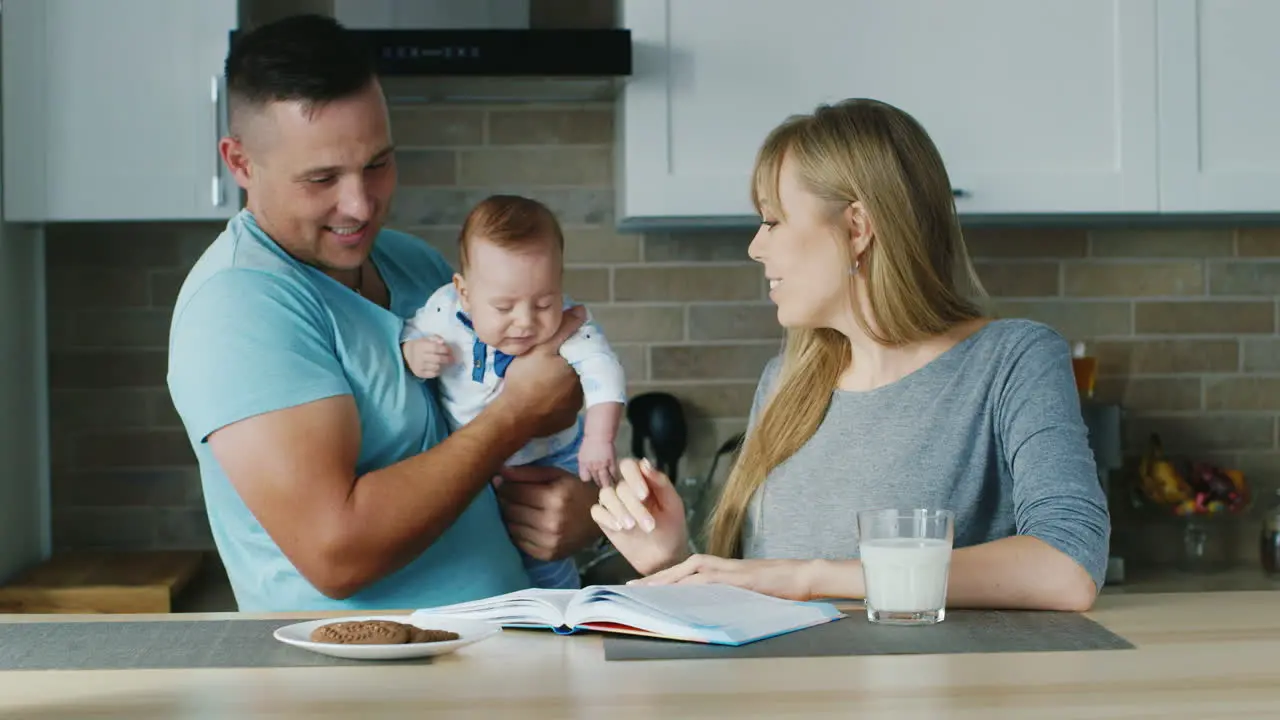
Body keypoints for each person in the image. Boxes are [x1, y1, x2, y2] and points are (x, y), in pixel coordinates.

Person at [590, 98, 1111, 612]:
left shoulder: (1012, 360)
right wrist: (672, 560)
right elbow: (761, 596)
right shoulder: (785, 382)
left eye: (772, 221)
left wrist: (812, 578)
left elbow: (1068, 566)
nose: (755, 247)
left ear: (857, 227)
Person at [165, 14, 601, 612]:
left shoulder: (413, 266)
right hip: (362, 689)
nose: (361, 204)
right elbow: (336, 553)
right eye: (322, 178)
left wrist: (578, 511)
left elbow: (544, 394)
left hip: (502, 660)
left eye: (377, 164)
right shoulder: (238, 307)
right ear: (239, 162)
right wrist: (515, 415)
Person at [400, 194, 627, 590]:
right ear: (464, 292)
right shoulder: (442, 311)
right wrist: (413, 351)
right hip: (477, 462)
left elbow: (603, 370)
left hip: (554, 458)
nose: (525, 322)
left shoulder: (572, 324)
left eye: (544, 302)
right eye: (504, 307)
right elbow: (411, 330)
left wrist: (599, 437)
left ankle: (561, 608)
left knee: (543, 558)